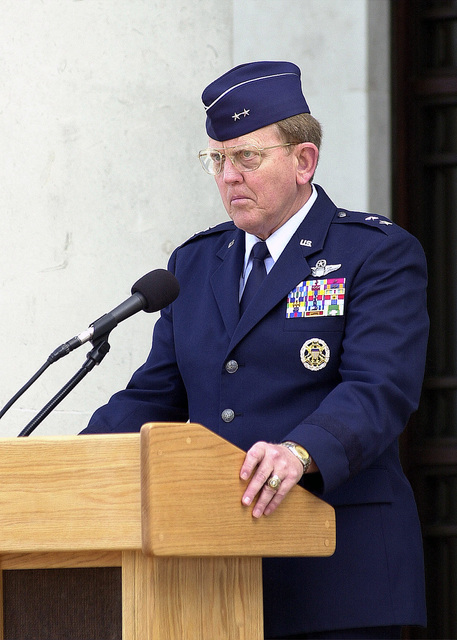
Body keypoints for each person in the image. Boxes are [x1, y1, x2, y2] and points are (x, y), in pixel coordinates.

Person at [81, 61, 429, 639]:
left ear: (304, 161)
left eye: (246, 157)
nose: (228, 177)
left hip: (340, 576)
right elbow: (153, 396)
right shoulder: (194, 264)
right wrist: (74, 465)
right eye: (216, 159)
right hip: (209, 578)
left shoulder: (375, 253)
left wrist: (299, 451)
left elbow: (378, 390)